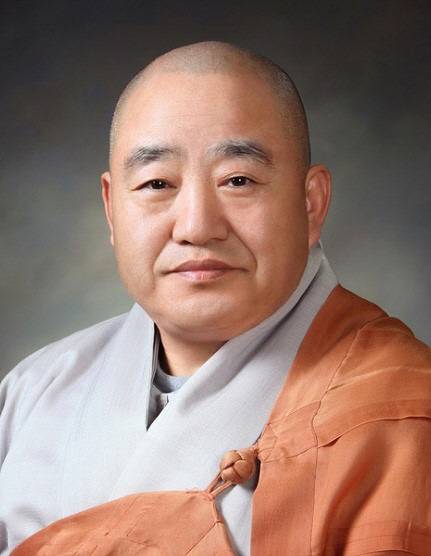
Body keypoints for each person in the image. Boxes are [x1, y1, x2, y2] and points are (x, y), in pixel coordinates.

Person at [1, 41, 430, 556]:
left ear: (311, 204)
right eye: (157, 183)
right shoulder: (33, 391)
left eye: (238, 180)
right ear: (112, 209)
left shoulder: (400, 414)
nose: (197, 226)